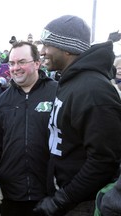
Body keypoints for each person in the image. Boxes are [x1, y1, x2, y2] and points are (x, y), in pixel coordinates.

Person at [33, 15, 121, 216]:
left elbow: (104, 161)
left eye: (48, 44)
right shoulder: (70, 81)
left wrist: (62, 200)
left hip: (83, 204)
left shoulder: (93, 90)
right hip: (69, 198)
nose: (42, 51)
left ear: (67, 48)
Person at [0, 40, 58, 216]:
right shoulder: (2, 101)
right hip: (11, 194)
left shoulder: (57, 93)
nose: (15, 68)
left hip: (50, 194)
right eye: (12, 63)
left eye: (22, 62)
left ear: (37, 63)